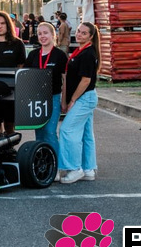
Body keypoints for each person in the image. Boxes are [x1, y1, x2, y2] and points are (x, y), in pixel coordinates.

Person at [59, 21, 100, 184]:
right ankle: (88, 168)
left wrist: (72, 100)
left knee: (67, 130)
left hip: (84, 98)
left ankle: (74, 169)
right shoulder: (79, 51)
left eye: (84, 33)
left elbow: (86, 80)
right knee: (86, 134)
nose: (79, 34)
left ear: (91, 36)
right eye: (78, 31)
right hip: (85, 97)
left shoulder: (88, 54)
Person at [24, 21, 68, 157]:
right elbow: (26, 76)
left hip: (53, 97)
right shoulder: (33, 55)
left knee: (50, 132)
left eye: (45, 33)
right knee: (39, 133)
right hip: (37, 100)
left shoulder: (60, 55)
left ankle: (56, 163)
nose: (42, 36)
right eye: (39, 34)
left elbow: (65, 79)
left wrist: (64, 101)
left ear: (53, 35)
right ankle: (42, 162)